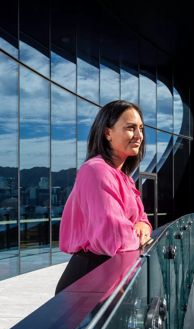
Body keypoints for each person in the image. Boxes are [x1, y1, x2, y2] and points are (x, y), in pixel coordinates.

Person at [55, 100, 152, 294]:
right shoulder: (95, 170)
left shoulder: (124, 178)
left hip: (109, 274)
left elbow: (142, 219)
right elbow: (112, 236)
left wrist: (142, 226)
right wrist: (138, 235)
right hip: (87, 279)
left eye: (141, 128)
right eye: (131, 128)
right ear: (108, 133)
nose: (139, 136)